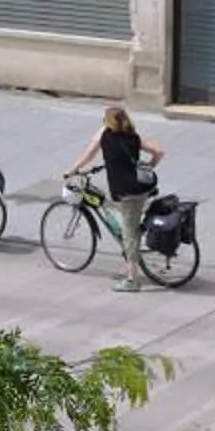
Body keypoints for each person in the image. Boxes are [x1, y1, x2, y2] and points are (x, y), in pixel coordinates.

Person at [67, 103, 165, 294]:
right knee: (124, 218)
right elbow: (159, 152)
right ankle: (132, 251)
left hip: (128, 192)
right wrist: (149, 166)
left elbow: (88, 155)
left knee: (129, 233)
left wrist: (70, 171)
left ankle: (132, 280)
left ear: (108, 123)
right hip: (141, 186)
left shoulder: (106, 138)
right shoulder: (133, 137)